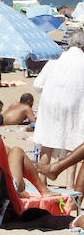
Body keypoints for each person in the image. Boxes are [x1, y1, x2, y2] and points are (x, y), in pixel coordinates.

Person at [33, 30, 84, 168]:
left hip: (50, 103)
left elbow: (37, 85)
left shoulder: (56, 58)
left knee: (47, 141)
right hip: (76, 105)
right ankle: (70, 184)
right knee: (73, 143)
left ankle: (42, 180)